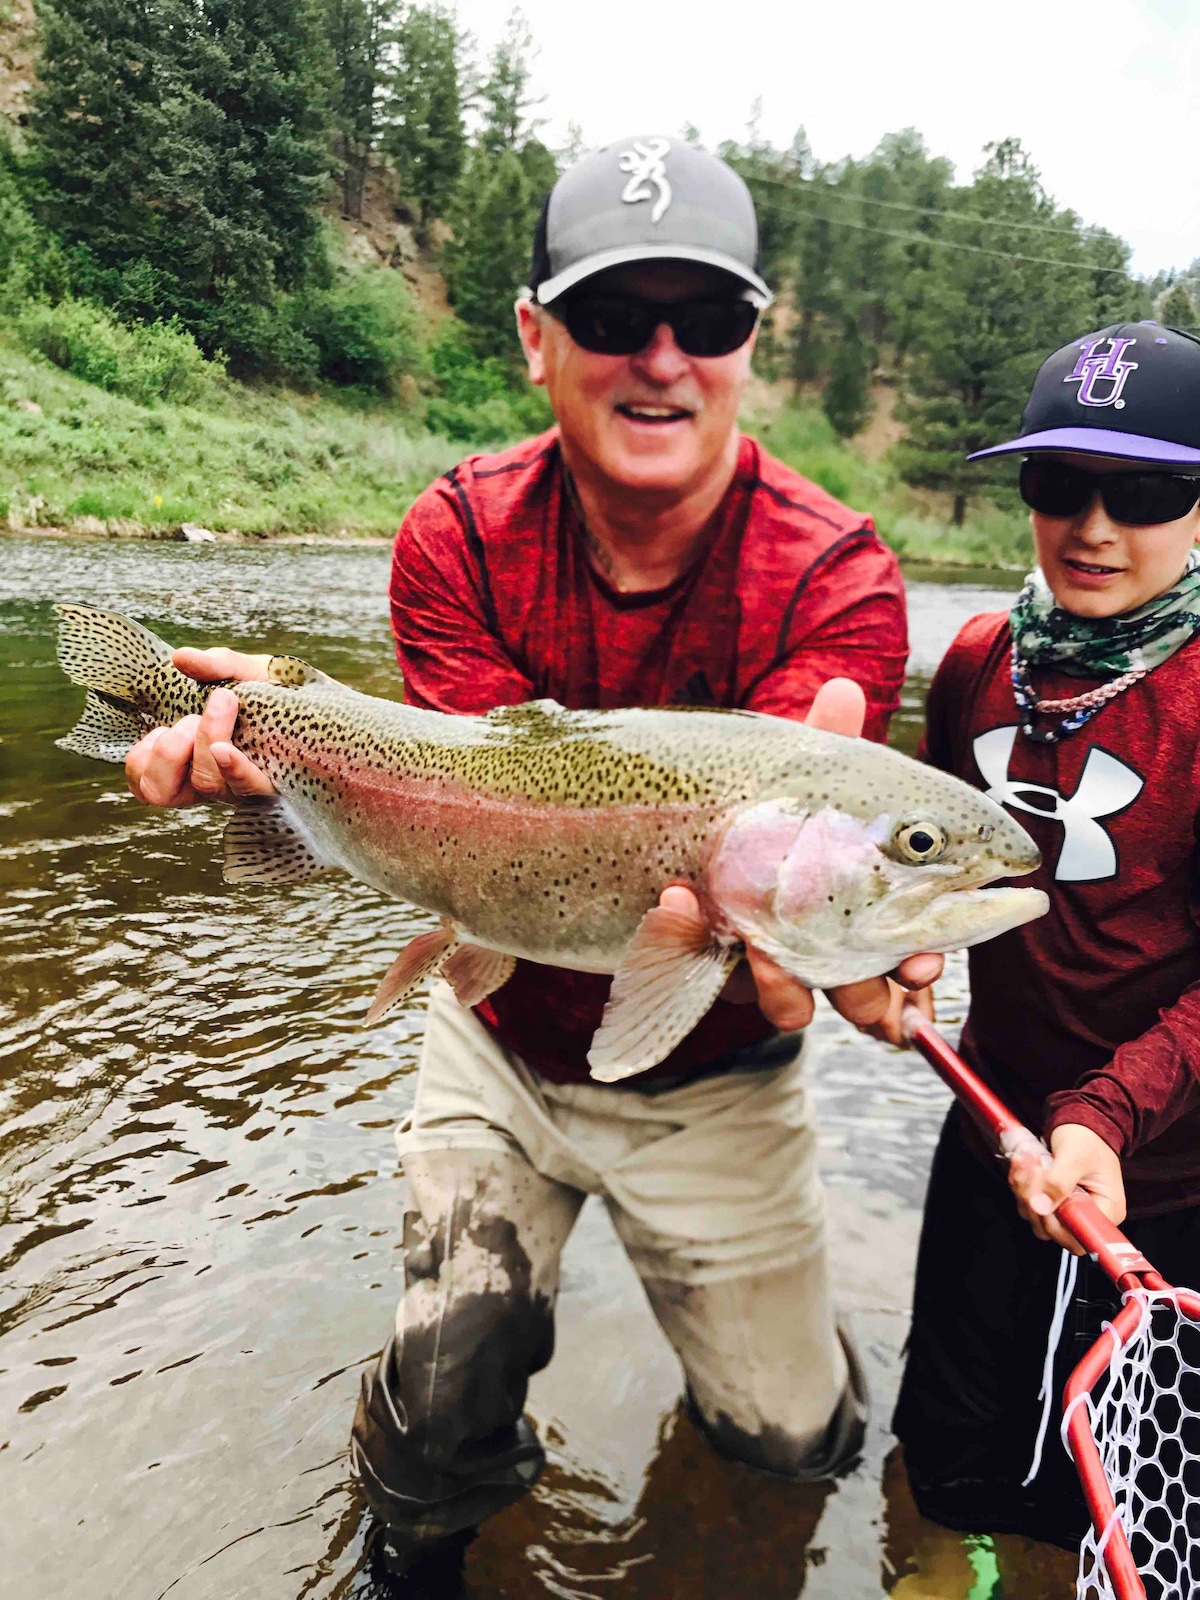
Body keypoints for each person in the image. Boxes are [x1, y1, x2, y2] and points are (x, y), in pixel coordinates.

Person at [124, 136, 940, 1596]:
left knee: (791, 1443)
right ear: (536, 337)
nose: (665, 359)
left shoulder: (839, 572)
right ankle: (412, 1556)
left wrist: (838, 910)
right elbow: (455, 801)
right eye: (620, 317)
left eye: (711, 320)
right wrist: (271, 737)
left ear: (755, 343)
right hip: (498, 1032)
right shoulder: (456, 533)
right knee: (440, 1401)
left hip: (717, 1080)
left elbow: (823, 851)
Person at [891, 321, 1200, 1594]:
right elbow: (909, 858)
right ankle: (951, 1568)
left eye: (1145, 492)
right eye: (1056, 483)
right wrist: (894, 953)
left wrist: (1107, 1119)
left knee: (1121, 1495)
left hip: (1166, 1186)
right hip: (994, 1135)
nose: (1092, 525)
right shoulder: (973, 661)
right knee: (949, 1459)